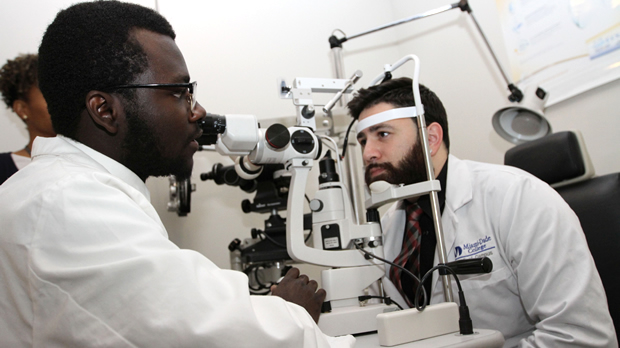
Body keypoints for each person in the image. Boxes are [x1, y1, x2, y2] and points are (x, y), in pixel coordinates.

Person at [0, 2, 354, 347]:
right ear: (105, 110)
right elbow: (211, 331)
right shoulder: (70, 203)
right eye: (178, 92)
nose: (197, 110)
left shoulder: (66, 188)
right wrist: (290, 315)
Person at [348, 77, 617, 347]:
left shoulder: (516, 196)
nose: (368, 152)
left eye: (382, 134)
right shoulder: (386, 229)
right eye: (362, 140)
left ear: (431, 138)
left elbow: (580, 336)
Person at [0, 53, 55, 184]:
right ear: (22, 109)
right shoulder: (3, 169)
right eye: (49, 95)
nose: (61, 103)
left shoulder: (94, 161)